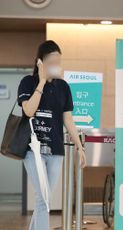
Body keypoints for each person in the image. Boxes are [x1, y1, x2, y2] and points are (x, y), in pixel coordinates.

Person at [18, 40, 87, 230]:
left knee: (44, 200)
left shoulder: (63, 87)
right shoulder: (28, 82)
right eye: (51, 62)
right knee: (44, 199)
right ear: (40, 62)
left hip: (56, 150)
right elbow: (29, 111)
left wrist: (80, 147)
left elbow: (68, 120)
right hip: (33, 149)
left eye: (58, 62)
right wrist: (41, 81)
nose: (56, 66)